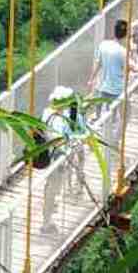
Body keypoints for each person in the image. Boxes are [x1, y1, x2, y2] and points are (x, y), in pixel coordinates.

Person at [42, 84, 91, 226]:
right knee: (53, 188)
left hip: (51, 156)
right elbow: (58, 139)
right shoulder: (59, 119)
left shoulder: (48, 113)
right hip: (58, 158)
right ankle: (47, 222)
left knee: (51, 188)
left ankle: (48, 216)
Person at [92, 19, 130, 133]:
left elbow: (98, 64)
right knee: (120, 114)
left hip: (103, 86)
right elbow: (128, 69)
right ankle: (112, 135)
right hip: (117, 89)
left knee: (101, 110)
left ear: (114, 31)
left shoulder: (103, 45)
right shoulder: (123, 51)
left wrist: (91, 79)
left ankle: (100, 128)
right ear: (126, 35)